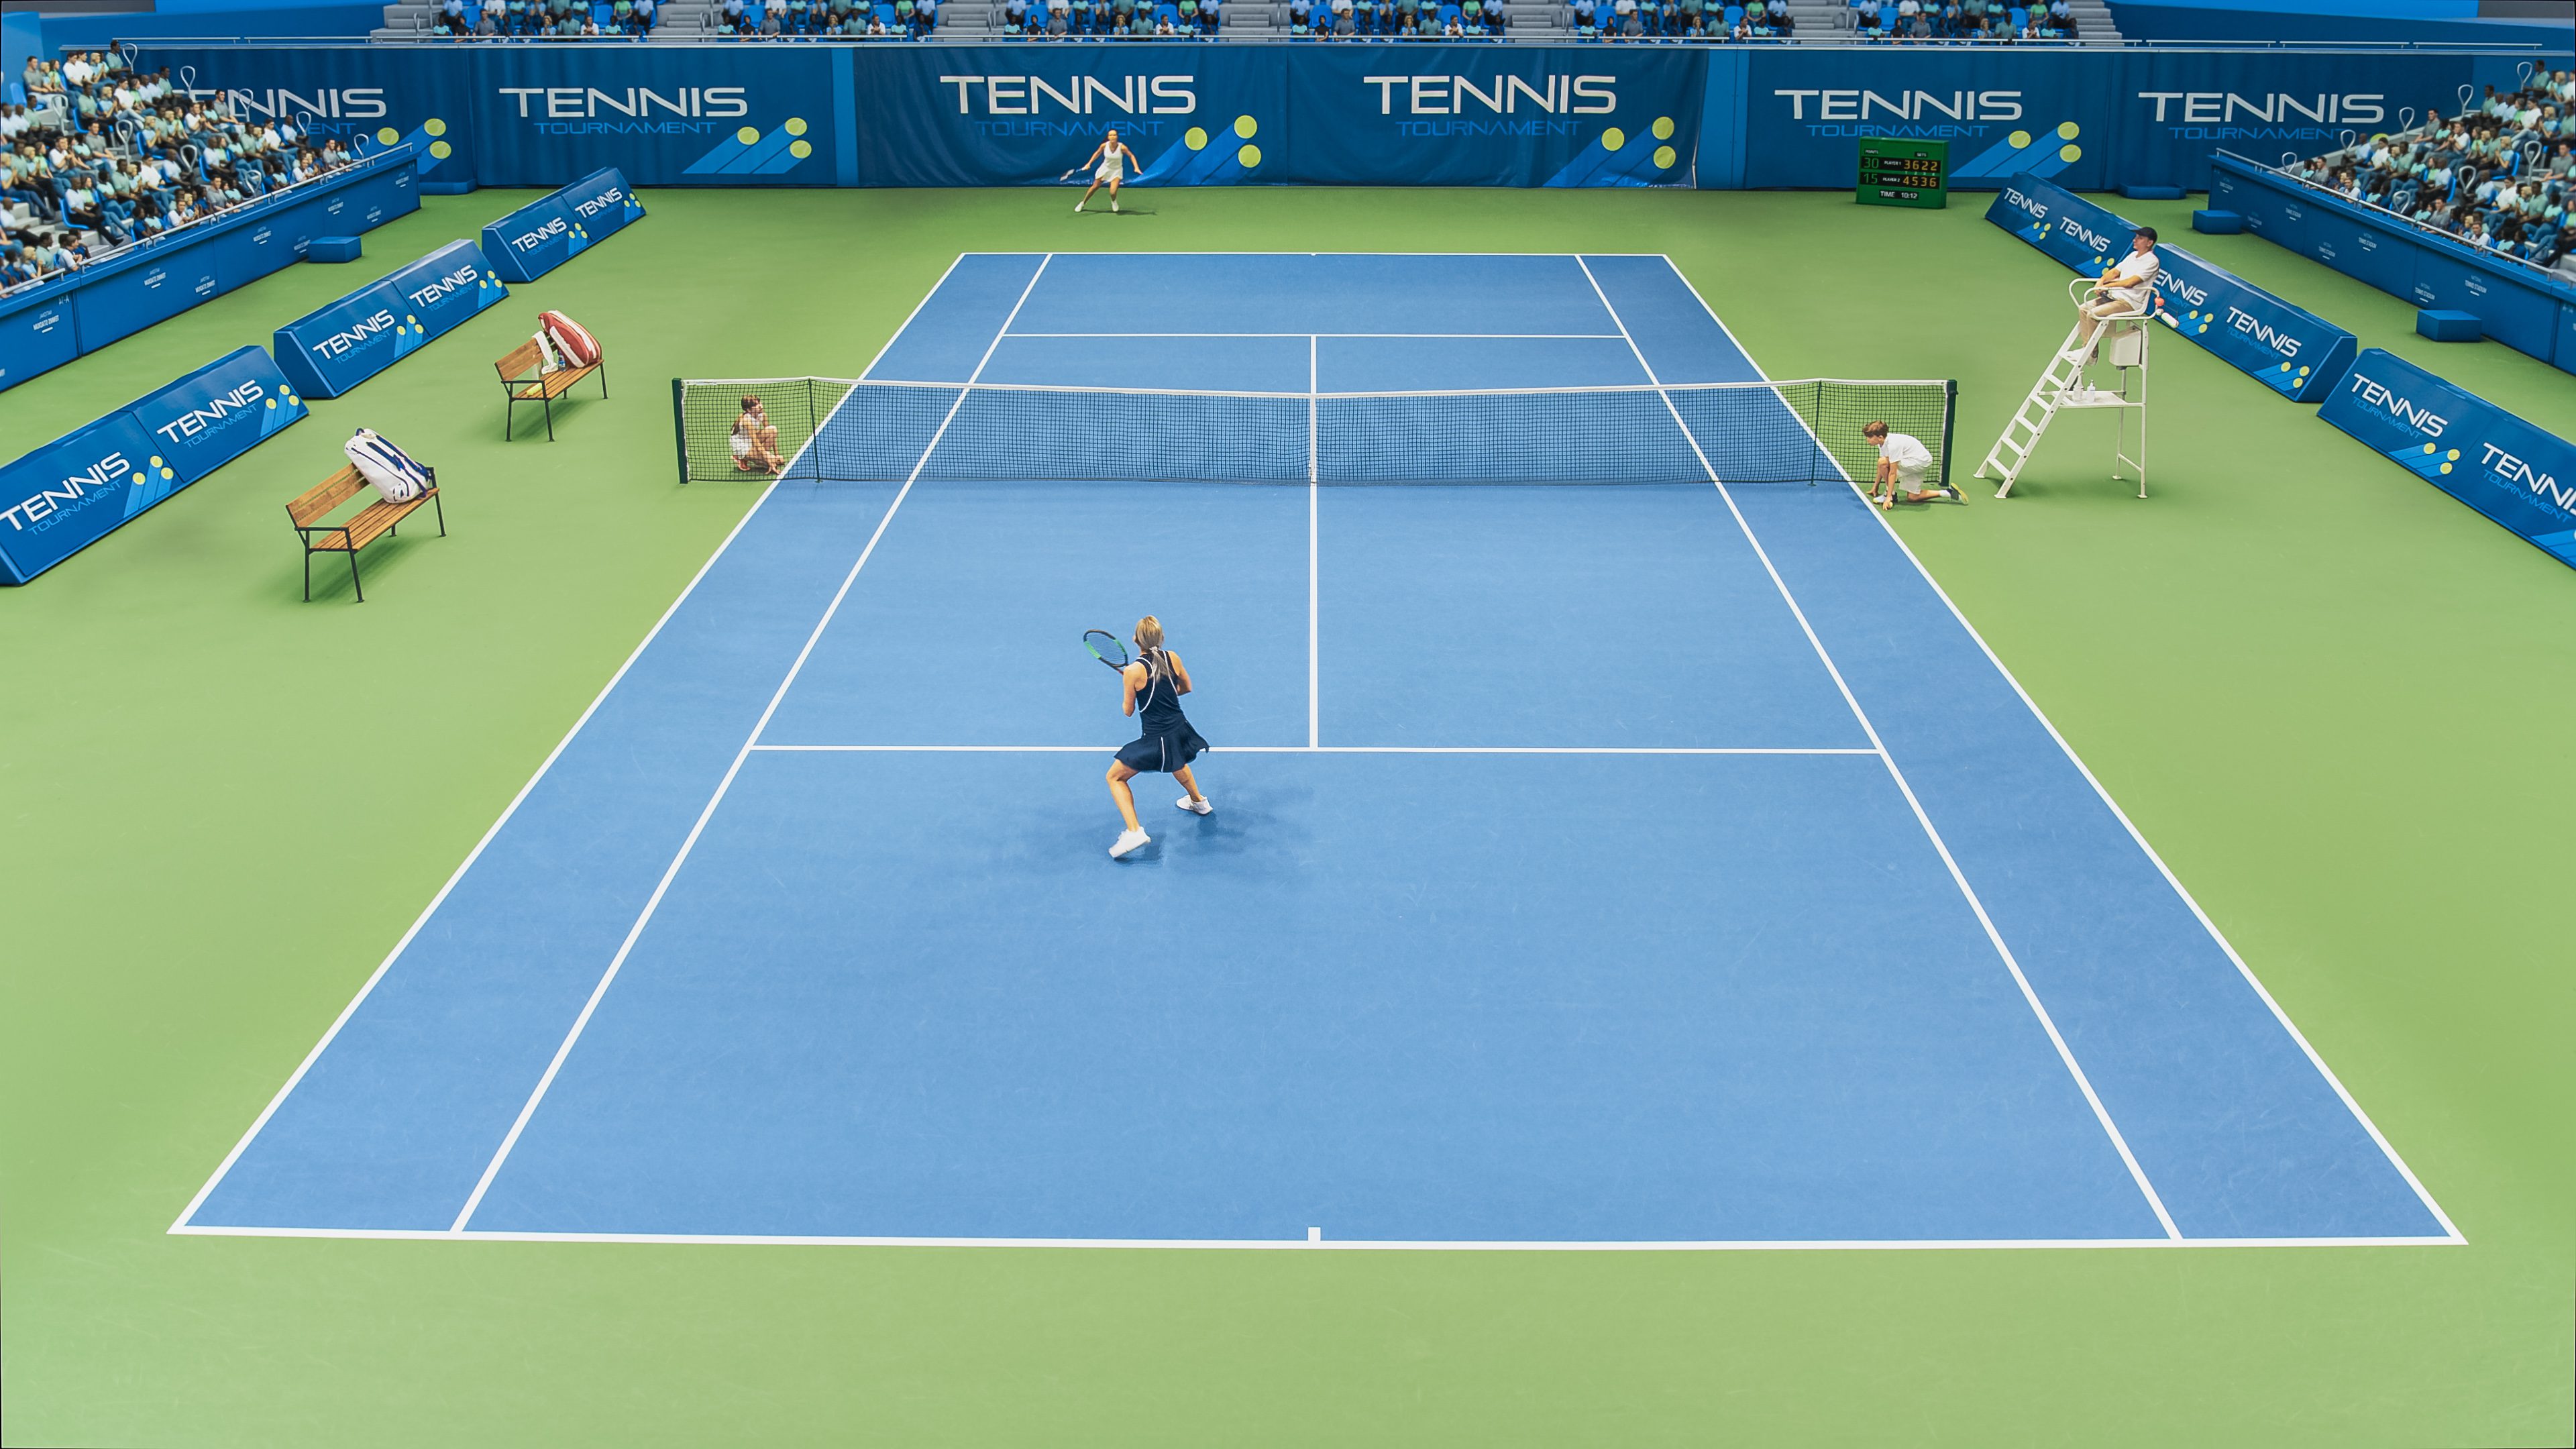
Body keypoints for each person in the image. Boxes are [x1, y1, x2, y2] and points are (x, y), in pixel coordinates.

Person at [1105, 615, 1211, 859]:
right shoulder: (1172, 657)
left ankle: (1134, 832)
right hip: (1180, 729)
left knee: (1115, 778)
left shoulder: (1133, 671)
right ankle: (1199, 801)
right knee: (1177, 760)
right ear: (1161, 639)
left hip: (1157, 739)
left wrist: (1128, 684)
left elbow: (1128, 711)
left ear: (1135, 640)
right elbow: (1186, 688)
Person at [2072, 225, 2159, 362]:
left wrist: (2107, 286)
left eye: (2140, 238)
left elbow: (2130, 283)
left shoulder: (2152, 261)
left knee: (2094, 314)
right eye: (2136, 237)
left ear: (2149, 243)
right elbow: (2114, 272)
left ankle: (2090, 354)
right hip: (2113, 298)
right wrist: (2100, 282)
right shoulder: (2132, 256)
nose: (2135, 240)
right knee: (2084, 309)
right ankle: (2087, 349)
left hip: (2129, 303)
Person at [1863, 420, 1957, 508]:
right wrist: (1875, 487)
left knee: (1883, 462)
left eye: (1870, 437)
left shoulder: (1893, 445)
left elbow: (1892, 472)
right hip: (1915, 460)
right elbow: (1882, 467)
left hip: (1920, 462)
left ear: (1880, 437)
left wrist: (1888, 497)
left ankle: (1891, 494)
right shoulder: (1882, 443)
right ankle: (1948, 493)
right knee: (1912, 498)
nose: (1867, 440)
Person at [1075, 127, 1140, 214]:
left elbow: (1131, 156)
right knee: (1095, 187)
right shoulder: (1104, 146)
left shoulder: (1122, 147)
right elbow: (1097, 153)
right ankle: (1083, 203)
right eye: (1111, 135)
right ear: (1108, 137)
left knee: (1113, 192)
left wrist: (1136, 167)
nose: (1112, 137)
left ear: (1117, 137)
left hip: (1117, 170)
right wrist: (1089, 164)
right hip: (1105, 169)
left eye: (1114, 135)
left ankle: (1114, 201)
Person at [731, 395, 786, 473]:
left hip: (750, 439)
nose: (760, 405)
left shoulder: (763, 415)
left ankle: (761, 457)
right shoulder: (747, 421)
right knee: (773, 462)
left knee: (773, 430)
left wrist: (777, 454)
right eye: (756, 405)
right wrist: (769, 460)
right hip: (742, 445)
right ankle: (742, 458)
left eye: (759, 402)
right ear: (749, 410)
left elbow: (772, 436)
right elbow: (756, 443)